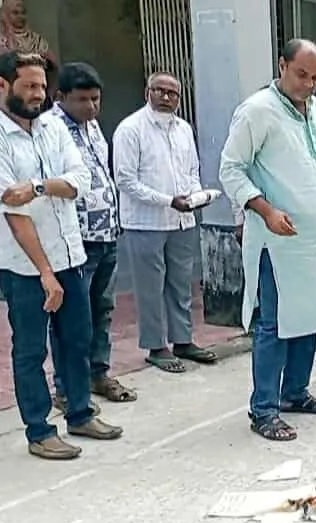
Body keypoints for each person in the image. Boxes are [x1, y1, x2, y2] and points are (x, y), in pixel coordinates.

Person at [219, 39, 316, 441]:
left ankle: (295, 392)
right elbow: (230, 169)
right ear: (282, 66)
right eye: (301, 75)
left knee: (310, 315)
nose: (308, 84)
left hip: (315, 233)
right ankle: (264, 409)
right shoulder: (256, 111)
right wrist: (266, 211)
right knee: (275, 323)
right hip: (276, 237)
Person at [0, 51, 122, 460]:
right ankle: (39, 430)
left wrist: (38, 186)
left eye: (42, 85)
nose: (39, 94)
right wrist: (45, 273)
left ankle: (80, 412)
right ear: (3, 85)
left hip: (70, 253)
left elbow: (80, 180)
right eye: (29, 86)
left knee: (77, 338)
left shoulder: (52, 127)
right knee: (30, 349)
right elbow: (12, 212)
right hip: (24, 266)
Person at [47, 62, 136, 414]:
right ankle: (67, 388)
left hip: (106, 233)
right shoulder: (50, 130)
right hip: (75, 240)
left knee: (102, 309)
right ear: (61, 96)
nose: (91, 106)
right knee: (72, 318)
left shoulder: (93, 126)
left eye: (96, 99)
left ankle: (98, 373)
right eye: (82, 99)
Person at [114, 72, 217, 373]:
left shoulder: (183, 129)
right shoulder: (131, 129)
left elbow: (192, 171)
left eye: (173, 93)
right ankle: (156, 346)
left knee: (181, 284)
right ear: (147, 92)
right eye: (159, 90)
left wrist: (197, 196)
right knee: (150, 288)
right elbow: (125, 180)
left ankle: (183, 340)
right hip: (145, 222)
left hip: (182, 220)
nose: (166, 97)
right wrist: (168, 200)